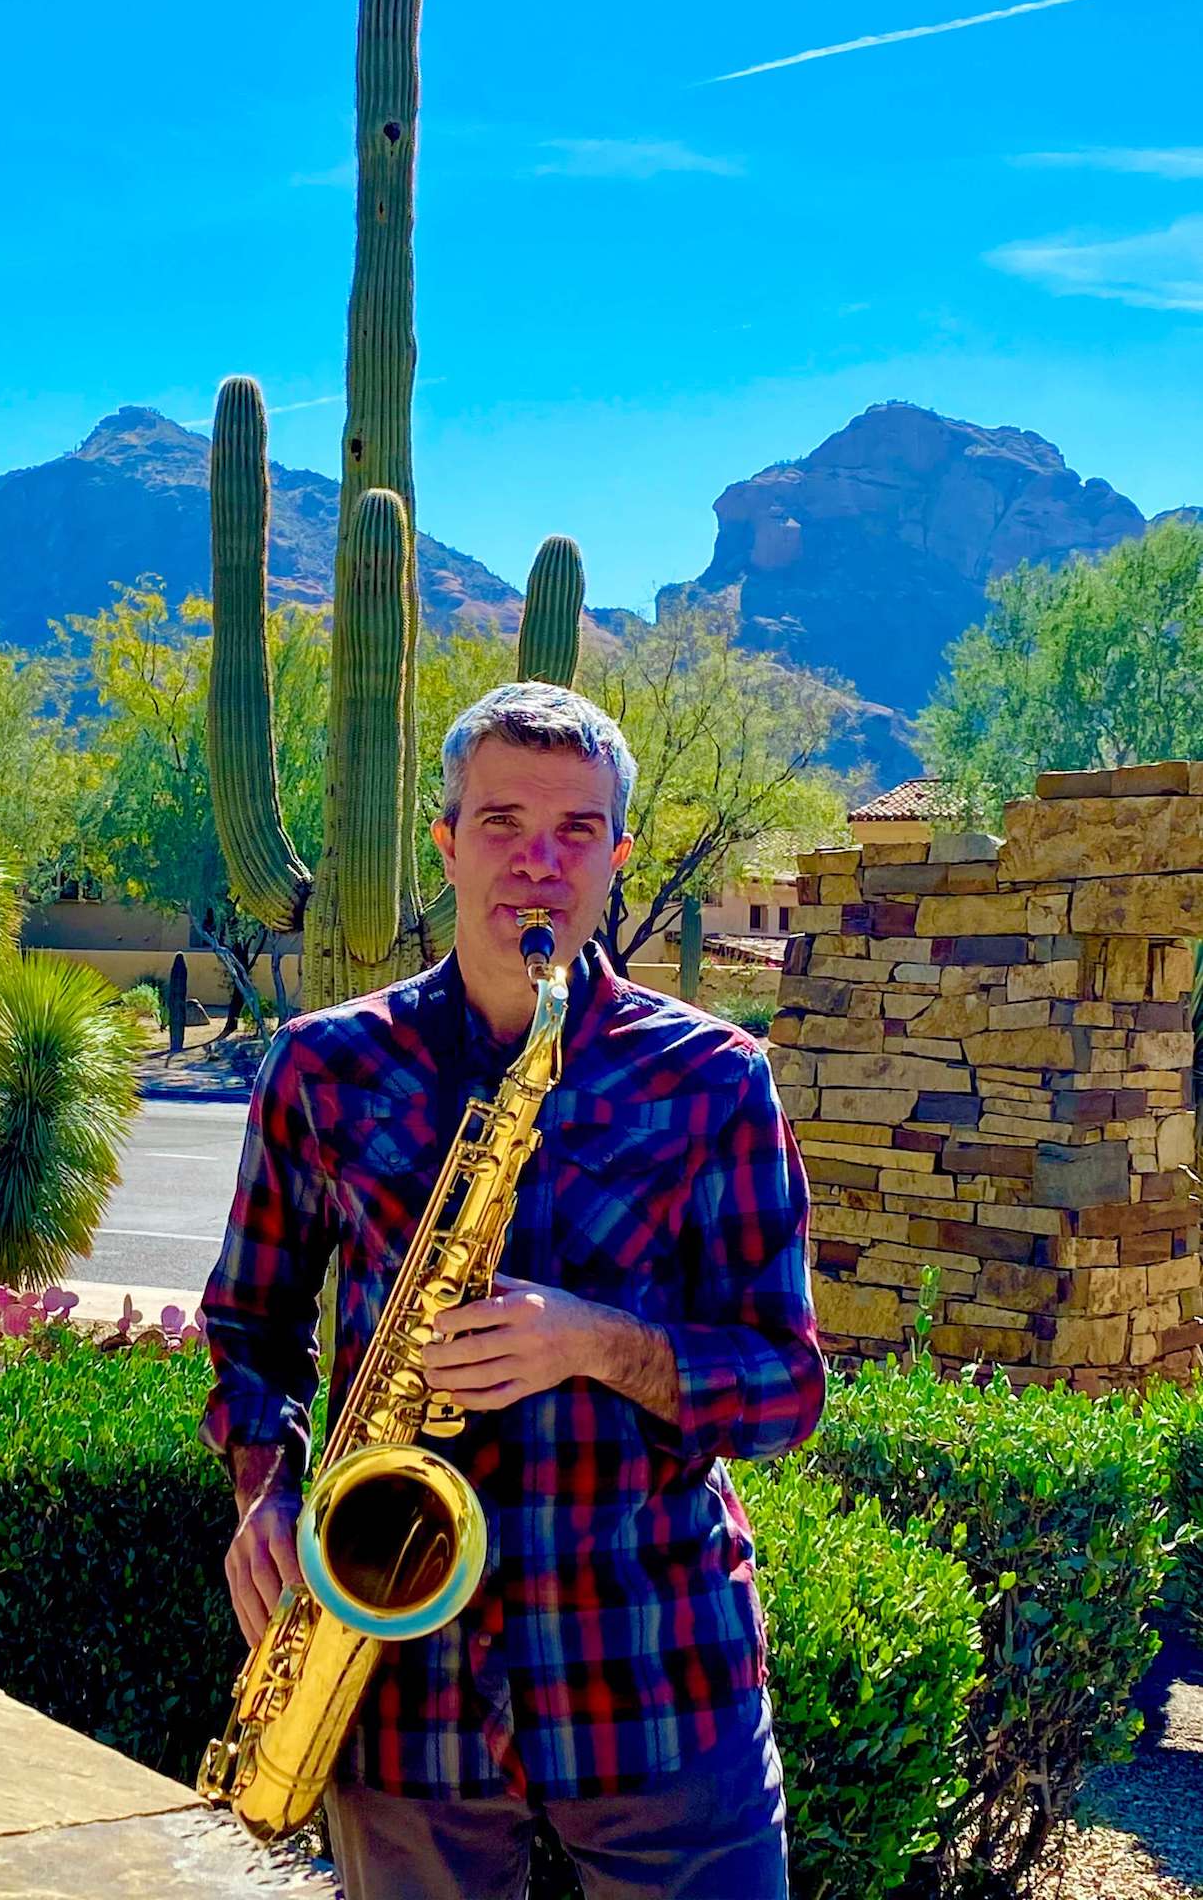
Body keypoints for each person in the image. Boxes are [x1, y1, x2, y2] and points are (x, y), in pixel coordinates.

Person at [200, 682, 826, 1900]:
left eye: (576, 830)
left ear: (617, 860)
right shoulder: (323, 1065)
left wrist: (597, 1341)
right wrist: (265, 1491)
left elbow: (787, 1387)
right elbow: (249, 1324)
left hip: (653, 1671)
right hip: (398, 1679)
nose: (538, 862)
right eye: (502, 822)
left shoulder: (716, 1078)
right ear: (444, 842)